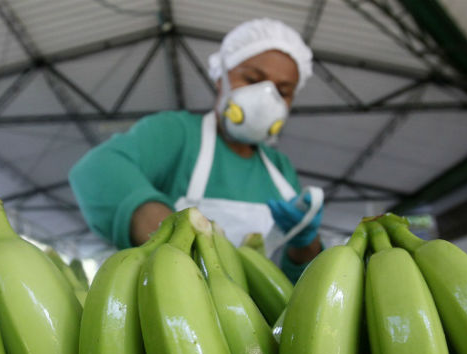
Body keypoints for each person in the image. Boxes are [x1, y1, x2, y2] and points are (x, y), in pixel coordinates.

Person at [69, 18, 324, 282]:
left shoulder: (280, 170)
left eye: (283, 91)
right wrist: (175, 240)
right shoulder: (178, 134)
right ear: (220, 79)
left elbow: (300, 285)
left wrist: (305, 242)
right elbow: (97, 170)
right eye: (251, 79)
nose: (267, 98)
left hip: (262, 321)